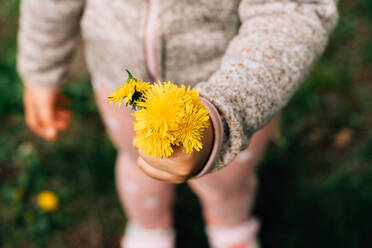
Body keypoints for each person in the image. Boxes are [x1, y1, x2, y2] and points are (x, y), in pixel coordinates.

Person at [18, 0, 339, 247]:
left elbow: (290, 13)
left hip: (233, 94)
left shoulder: (231, 105)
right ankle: (149, 227)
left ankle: (230, 227)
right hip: (124, 85)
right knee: (137, 161)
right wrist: (41, 68)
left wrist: (226, 113)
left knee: (229, 182)